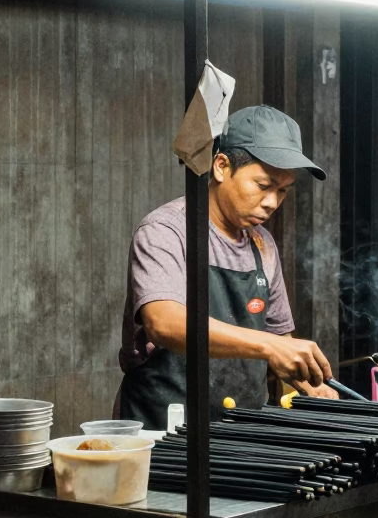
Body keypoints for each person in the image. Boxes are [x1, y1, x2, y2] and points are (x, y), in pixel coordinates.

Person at [118, 105, 336, 429]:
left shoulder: (263, 245)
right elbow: (164, 323)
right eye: (263, 185)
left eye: (283, 191)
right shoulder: (166, 231)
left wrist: (311, 383)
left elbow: (281, 341)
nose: (272, 202)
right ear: (221, 167)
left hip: (241, 436)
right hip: (167, 433)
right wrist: (270, 346)